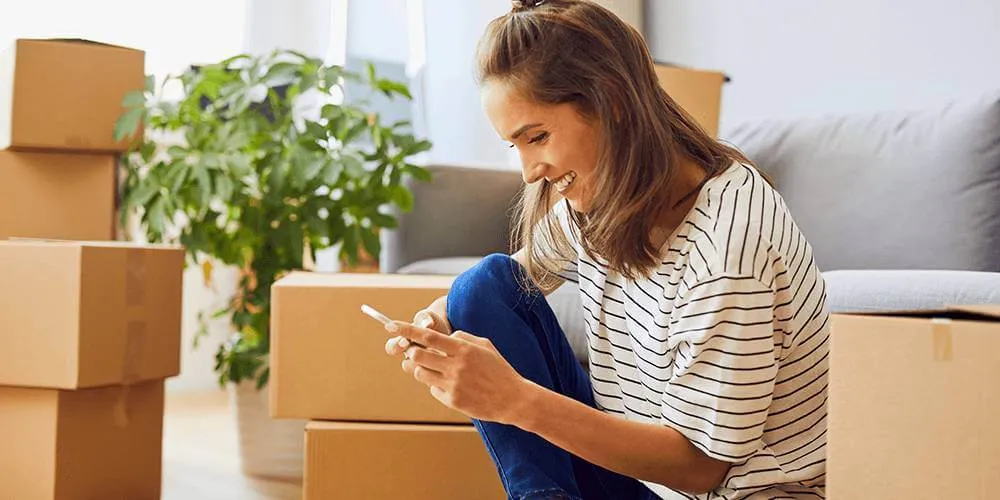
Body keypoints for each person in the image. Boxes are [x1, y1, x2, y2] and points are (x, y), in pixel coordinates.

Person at [384, 0, 829, 498]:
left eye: (538, 137)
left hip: (722, 490)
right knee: (479, 286)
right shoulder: (599, 200)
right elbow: (516, 278)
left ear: (611, 103)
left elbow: (703, 469)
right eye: (517, 146)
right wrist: (440, 322)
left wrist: (514, 400)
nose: (530, 171)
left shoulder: (729, 245)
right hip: (642, 485)